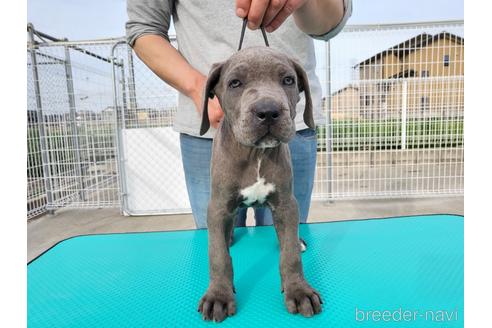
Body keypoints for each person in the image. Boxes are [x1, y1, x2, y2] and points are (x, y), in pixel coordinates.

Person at [126, 0, 352, 229]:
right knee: (223, 240)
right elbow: (143, 28)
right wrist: (199, 88)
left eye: (286, 80)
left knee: (284, 239)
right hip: (213, 130)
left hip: (291, 127)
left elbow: (332, 24)